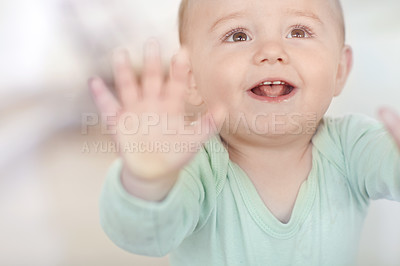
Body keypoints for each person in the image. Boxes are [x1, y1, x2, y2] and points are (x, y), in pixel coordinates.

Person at [89, 0, 400, 264]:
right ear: (192, 78)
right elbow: (146, 237)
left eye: (298, 31)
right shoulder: (195, 167)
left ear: (339, 70)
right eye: (238, 35)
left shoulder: (354, 147)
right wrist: (149, 180)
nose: (272, 51)